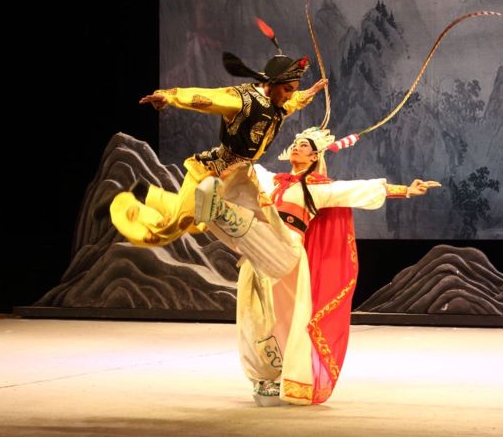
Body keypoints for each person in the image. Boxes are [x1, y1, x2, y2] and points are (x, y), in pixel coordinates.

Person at [193, 127, 441, 406]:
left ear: (314, 156)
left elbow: (359, 190)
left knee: (285, 317)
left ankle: (224, 218)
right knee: (255, 316)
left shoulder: (318, 190)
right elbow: (245, 167)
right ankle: (266, 375)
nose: (296, 147)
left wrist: (406, 190)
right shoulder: (272, 181)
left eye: (303, 145)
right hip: (258, 257)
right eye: (295, 143)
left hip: (287, 252)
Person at [109, 50, 328, 246]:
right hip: (214, 171)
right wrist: (169, 96)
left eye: (292, 91)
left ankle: (147, 193)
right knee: (173, 228)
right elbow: (207, 98)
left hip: (242, 175)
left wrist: (307, 93)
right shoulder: (241, 100)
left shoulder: (278, 103)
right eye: (287, 89)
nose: (289, 95)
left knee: (212, 223)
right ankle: (125, 207)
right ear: (273, 82)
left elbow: (290, 103)